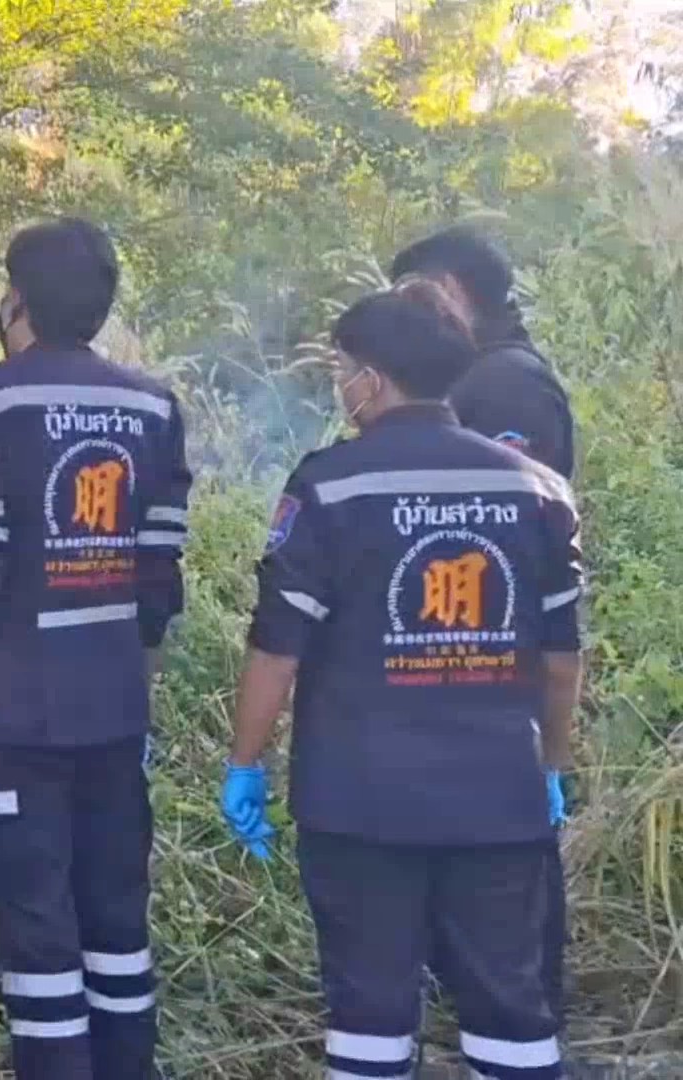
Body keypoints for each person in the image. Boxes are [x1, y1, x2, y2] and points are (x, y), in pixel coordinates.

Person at [219, 287, 582, 1080]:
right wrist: (551, 767)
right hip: (499, 798)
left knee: (369, 1016)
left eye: (342, 372)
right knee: (511, 1011)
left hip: (360, 804)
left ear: (373, 380)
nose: (340, 389)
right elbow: (561, 659)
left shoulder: (330, 486)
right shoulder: (538, 490)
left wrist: (246, 763)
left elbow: (276, 650)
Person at [0, 219, 191, 1080]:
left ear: (18, 301)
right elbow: (157, 590)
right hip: (114, 712)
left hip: (19, 716)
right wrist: (134, 698)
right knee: (117, 923)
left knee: (37, 930)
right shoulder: (154, 407)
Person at [391, 226, 577, 1027]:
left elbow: (502, 537)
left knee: (506, 868)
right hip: (472, 655)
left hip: (493, 660)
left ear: (453, 293)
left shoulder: (506, 388)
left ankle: (523, 1021)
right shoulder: (489, 377)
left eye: (415, 300)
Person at [390, 226, 575, 479]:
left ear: (447, 289)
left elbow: (510, 495)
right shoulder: (484, 373)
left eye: (410, 300)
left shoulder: (509, 381)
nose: (402, 320)